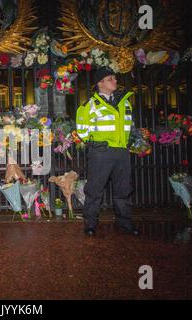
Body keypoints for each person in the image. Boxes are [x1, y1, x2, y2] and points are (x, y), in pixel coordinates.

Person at [76, 67, 140, 237]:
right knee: (95, 190)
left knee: (123, 189)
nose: (115, 81)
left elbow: (130, 126)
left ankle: (124, 222)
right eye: (110, 78)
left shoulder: (124, 102)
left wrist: (130, 141)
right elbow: (82, 130)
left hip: (122, 151)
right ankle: (90, 224)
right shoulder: (89, 105)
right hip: (101, 152)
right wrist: (96, 144)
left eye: (114, 78)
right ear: (100, 83)